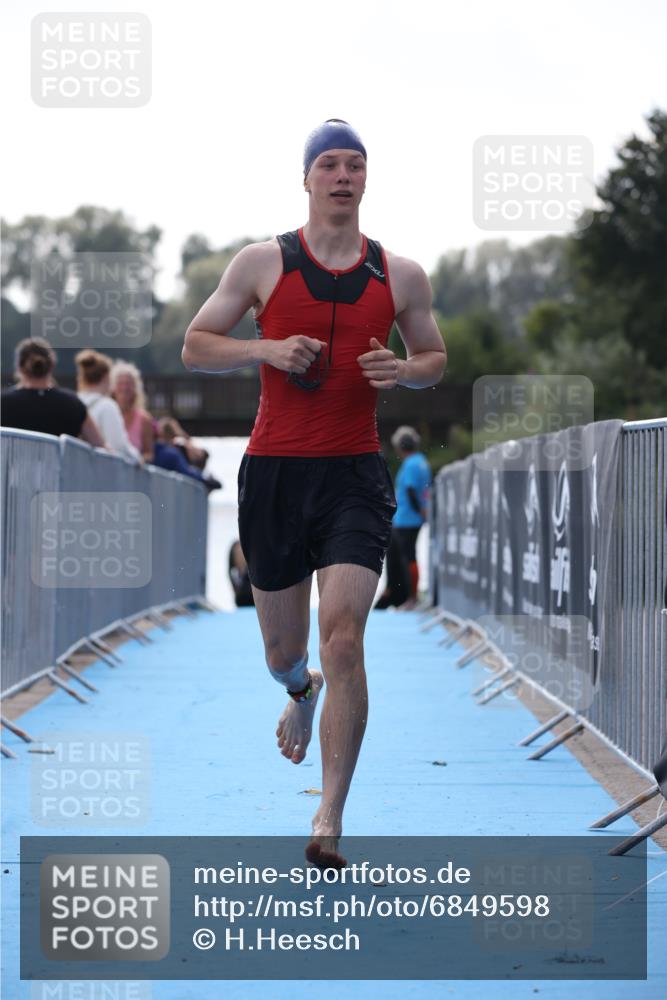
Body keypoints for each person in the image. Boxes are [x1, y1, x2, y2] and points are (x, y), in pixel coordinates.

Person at [182, 118, 447, 868]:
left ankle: (329, 817)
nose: (342, 175)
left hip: (354, 475)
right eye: (328, 164)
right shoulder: (263, 262)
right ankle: (300, 691)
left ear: (366, 179)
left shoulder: (400, 275)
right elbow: (196, 345)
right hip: (274, 472)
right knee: (284, 650)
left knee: (346, 636)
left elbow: (432, 355)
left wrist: (404, 369)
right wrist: (263, 346)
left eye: (354, 164)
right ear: (305, 179)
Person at [1, 337, 104, 447]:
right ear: (52, 364)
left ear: (19, 367)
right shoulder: (73, 403)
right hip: (64, 465)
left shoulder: (3, 402)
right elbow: (99, 446)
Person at [389, 426, 432, 610]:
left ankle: (412, 597)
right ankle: (408, 595)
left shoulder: (411, 464)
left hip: (407, 518)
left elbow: (410, 489)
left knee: (408, 556)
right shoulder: (421, 461)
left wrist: (419, 510)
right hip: (411, 517)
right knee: (408, 556)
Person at [75, 350, 142, 464]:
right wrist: (137, 457)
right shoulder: (107, 406)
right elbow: (119, 446)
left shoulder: (75, 401)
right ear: (106, 377)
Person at [151, 417, 222, 493]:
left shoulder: (152, 449)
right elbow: (187, 472)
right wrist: (207, 479)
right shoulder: (172, 454)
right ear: (173, 436)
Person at [110, 360, 156, 461]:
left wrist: (138, 461)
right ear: (112, 387)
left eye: (128, 383)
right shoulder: (107, 414)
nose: (124, 387)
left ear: (135, 387)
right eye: (120, 383)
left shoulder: (144, 419)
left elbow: (149, 453)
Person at [229, 540, 255, 607]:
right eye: (236, 554)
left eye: (241, 552)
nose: (240, 556)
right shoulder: (235, 577)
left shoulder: (253, 575)